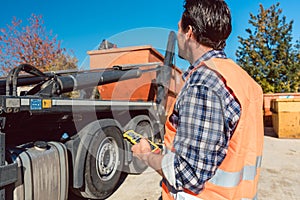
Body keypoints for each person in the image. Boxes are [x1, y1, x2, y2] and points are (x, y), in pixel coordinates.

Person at [132, 0, 264, 199]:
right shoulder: (246, 81)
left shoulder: (204, 82)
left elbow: (187, 175)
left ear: (189, 32)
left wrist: (146, 156)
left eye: (179, 28)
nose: (177, 36)